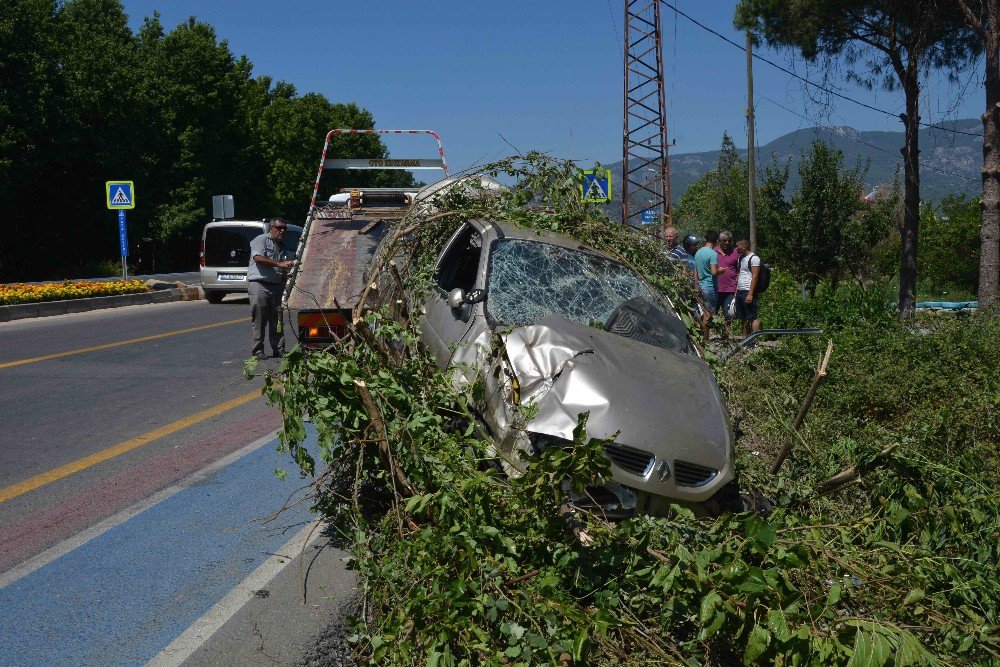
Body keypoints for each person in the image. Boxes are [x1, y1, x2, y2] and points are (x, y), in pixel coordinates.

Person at [248, 218, 295, 359]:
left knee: (278, 320)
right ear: (271, 228)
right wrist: (279, 264)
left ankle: (278, 348)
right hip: (260, 284)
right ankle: (257, 350)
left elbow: (285, 270)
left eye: (284, 229)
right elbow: (258, 258)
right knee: (260, 319)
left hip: (276, 286)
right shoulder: (261, 239)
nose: (282, 231)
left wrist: (286, 281)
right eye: (279, 228)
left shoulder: (282, 247)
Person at [734, 238, 762, 338]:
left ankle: (756, 340)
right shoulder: (740, 258)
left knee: (753, 316)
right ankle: (745, 339)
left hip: (748, 291)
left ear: (744, 246)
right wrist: (736, 291)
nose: (736, 248)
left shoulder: (754, 258)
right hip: (740, 290)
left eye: (737, 246)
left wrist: (750, 293)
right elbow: (740, 274)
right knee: (743, 317)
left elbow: (755, 276)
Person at [714, 231, 740, 326]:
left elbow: (738, 271)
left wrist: (737, 289)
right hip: (716, 288)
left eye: (729, 241)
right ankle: (707, 337)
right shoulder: (713, 252)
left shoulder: (735, 253)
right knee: (712, 312)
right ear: (719, 241)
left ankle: (726, 336)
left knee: (728, 314)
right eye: (724, 241)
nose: (727, 243)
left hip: (730, 289)